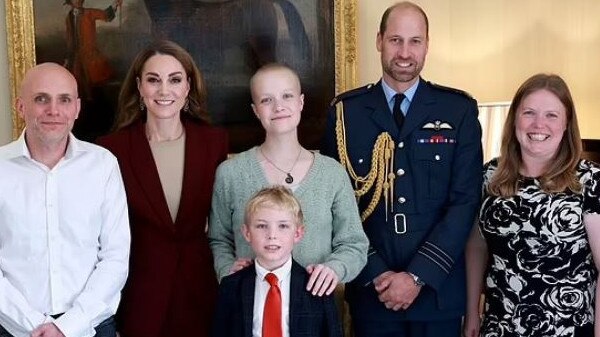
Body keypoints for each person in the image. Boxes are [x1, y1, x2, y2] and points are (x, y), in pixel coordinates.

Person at [321, 2, 483, 337]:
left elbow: (465, 203)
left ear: (427, 44)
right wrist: (378, 273)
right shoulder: (344, 115)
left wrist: (417, 276)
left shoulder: (459, 111)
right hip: (372, 291)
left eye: (415, 41)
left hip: (437, 292)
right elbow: (335, 204)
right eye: (395, 40)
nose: (405, 52)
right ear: (379, 40)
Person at [96, 40, 228, 337]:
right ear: (140, 87)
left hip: (201, 292)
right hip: (140, 295)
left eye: (175, 80)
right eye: (154, 80)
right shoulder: (111, 149)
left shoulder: (214, 143)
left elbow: (222, 222)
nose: (164, 90)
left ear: (188, 87)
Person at [209, 63, 368, 297]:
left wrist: (335, 268)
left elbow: (354, 243)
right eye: (266, 100)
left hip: (315, 307)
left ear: (301, 102)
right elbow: (218, 239)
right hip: (250, 305)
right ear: (255, 110)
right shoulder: (230, 173)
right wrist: (226, 269)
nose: (279, 107)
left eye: (287, 96)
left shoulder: (332, 173)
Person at [464, 74, 600, 337]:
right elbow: (476, 246)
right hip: (500, 327)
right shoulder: (488, 177)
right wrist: (472, 311)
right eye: (529, 113)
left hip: (568, 330)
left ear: (566, 123)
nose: (539, 124)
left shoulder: (589, 180)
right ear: (515, 118)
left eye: (551, 115)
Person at [0, 63, 130, 337]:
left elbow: (116, 257)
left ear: (77, 108)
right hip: (12, 328)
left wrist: (65, 327)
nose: (53, 111)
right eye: (41, 99)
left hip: (90, 326)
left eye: (64, 100)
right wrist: (34, 325)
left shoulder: (103, 165)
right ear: (20, 106)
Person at [211, 186, 343, 337]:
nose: (272, 235)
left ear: (298, 233)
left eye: (283, 226)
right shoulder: (231, 286)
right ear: (247, 233)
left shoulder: (317, 287)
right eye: (261, 226)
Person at [64, 0, 123, 99]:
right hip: (76, 57)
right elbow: (69, 39)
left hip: (90, 54)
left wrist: (115, 4)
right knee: (77, 83)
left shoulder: (89, 13)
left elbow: (106, 15)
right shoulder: (68, 17)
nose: (78, 1)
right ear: (70, 2)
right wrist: (68, 57)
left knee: (96, 82)